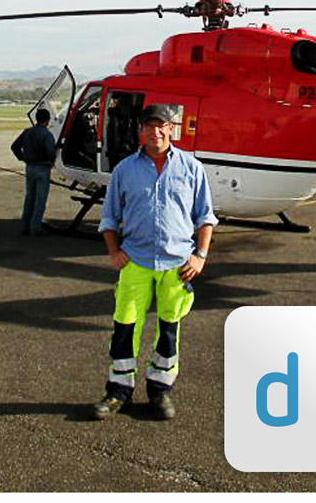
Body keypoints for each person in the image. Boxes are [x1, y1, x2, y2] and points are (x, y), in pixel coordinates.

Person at [92, 103, 216, 421]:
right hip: (136, 261)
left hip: (177, 264)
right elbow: (108, 218)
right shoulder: (124, 170)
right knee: (125, 326)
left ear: (172, 129)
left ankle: (160, 390)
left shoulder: (191, 168)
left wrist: (200, 256)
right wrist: (114, 252)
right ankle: (119, 390)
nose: (156, 132)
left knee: (169, 329)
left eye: (162, 126)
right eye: (150, 126)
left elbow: (205, 217)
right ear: (141, 131)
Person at [11, 108, 58, 235]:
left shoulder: (27, 132)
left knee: (29, 198)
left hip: (30, 167)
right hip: (43, 168)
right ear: (47, 121)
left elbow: (14, 146)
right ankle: (35, 228)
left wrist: (22, 157)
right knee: (40, 199)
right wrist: (52, 161)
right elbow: (51, 151)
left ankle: (25, 226)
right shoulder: (46, 134)